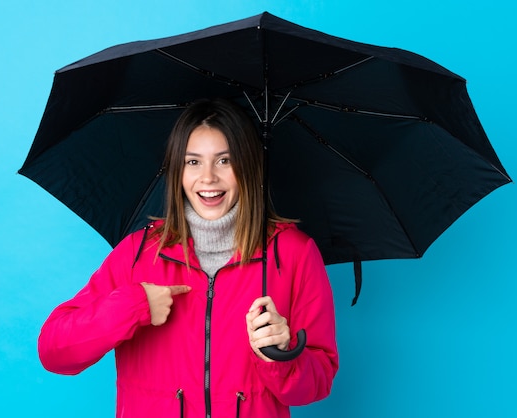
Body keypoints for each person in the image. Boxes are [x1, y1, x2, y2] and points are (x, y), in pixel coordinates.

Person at [38, 98, 339, 418]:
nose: (208, 178)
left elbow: (318, 383)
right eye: (193, 162)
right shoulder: (136, 254)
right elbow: (55, 352)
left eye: (224, 161)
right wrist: (133, 306)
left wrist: (281, 356)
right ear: (176, 171)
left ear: (248, 166)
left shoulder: (293, 253)